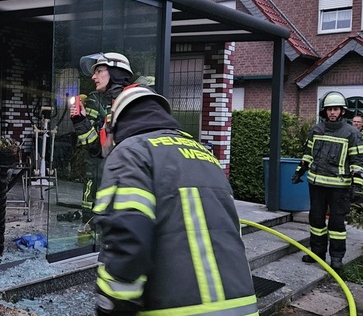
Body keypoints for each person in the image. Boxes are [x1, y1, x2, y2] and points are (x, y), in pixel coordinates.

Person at [93, 86, 258, 316]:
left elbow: (127, 238)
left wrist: (111, 305)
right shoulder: (205, 155)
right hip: (243, 307)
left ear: (118, 122)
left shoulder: (131, 152)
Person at [291, 91, 363, 270]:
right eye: (329, 109)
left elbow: (358, 161)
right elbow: (308, 155)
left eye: (336, 109)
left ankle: (337, 257)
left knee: (336, 223)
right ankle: (317, 254)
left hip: (339, 186)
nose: (332, 112)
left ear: (342, 111)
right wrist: (299, 171)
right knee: (316, 220)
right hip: (316, 184)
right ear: (325, 112)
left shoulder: (351, 133)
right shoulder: (316, 130)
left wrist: (358, 186)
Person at [69, 52, 136, 245]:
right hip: (101, 175)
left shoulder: (133, 103)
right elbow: (97, 149)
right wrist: (80, 120)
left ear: (115, 73)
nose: (93, 76)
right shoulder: (100, 101)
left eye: (99, 70)